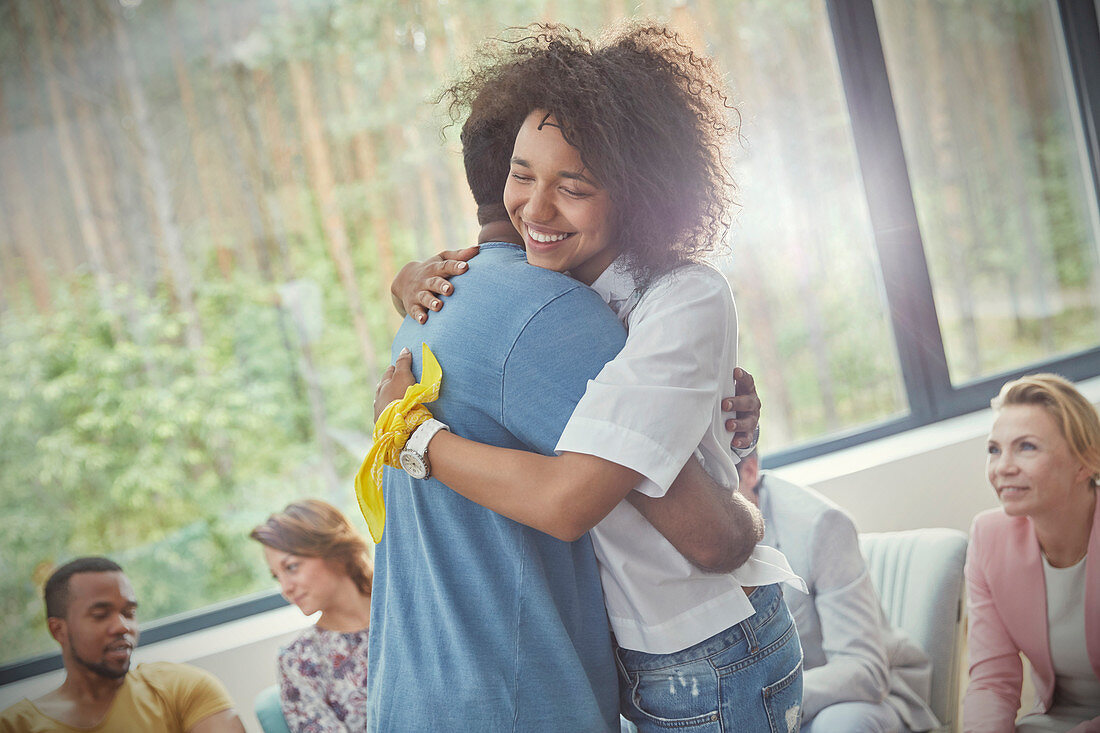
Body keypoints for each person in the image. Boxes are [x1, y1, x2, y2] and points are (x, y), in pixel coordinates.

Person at [372, 24, 803, 732]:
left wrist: (413, 434)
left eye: (573, 187)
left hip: (713, 647)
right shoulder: (567, 286)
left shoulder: (684, 296)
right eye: (522, 173)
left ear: (639, 195)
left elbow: (573, 504)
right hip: (638, 652)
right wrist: (407, 281)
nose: (536, 210)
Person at [735, 451, 940, 732]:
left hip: (852, 702)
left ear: (748, 470)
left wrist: (759, 704)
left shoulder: (820, 525)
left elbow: (864, 670)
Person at [964, 374, 1100, 733]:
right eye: (994, 449)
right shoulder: (988, 537)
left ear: (1084, 462)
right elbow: (991, 680)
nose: (1003, 467)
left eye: (1026, 447)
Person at [0, 557, 244, 733]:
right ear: (58, 629)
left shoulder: (181, 688)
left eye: (128, 612)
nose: (122, 626)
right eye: (100, 614)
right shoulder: (15, 725)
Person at [250, 500, 372, 732]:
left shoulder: (410, 612)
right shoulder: (298, 661)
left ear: (335, 552)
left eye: (292, 567)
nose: (285, 587)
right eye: (277, 576)